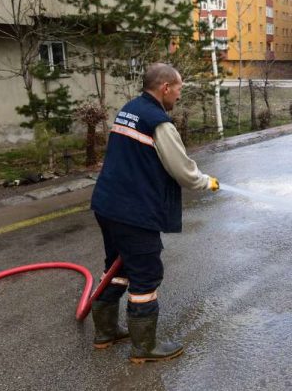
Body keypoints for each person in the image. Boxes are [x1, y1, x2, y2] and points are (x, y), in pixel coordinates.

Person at [90, 63, 219, 363]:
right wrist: (205, 182)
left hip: (107, 204)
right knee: (146, 275)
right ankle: (144, 348)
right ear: (165, 88)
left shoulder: (130, 109)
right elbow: (182, 170)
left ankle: (105, 333)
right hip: (133, 211)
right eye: (178, 89)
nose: (178, 94)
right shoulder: (159, 122)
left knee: (117, 267)